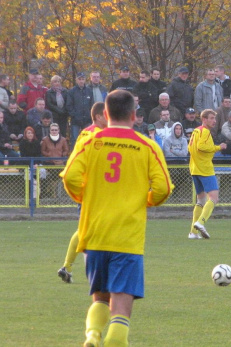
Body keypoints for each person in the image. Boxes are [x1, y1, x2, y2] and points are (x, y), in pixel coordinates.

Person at [61, 90, 173, 347]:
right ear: (134, 115)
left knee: (100, 297)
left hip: (95, 233)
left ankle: (91, 336)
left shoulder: (90, 141)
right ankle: (113, 340)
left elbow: (69, 177)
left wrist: (84, 198)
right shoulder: (147, 146)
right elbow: (164, 188)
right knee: (121, 307)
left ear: (106, 114)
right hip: (127, 237)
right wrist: (145, 201)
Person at [57, 102, 108, 284]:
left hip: (86, 187)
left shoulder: (85, 132)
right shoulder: (97, 135)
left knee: (85, 230)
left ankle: (67, 267)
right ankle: (94, 275)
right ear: (99, 116)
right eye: (107, 115)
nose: (109, 118)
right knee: (90, 232)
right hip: (94, 190)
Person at [188, 109, 228, 239]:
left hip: (194, 168)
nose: (214, 121)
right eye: (211, 118)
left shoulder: (196, 131)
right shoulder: (205, 131)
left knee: (200, 199)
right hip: (205, 169)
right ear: (204, 119)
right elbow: (201, 147)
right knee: (214, 198)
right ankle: (201, 222)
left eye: (214, 118)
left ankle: (193, 233)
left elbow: (190, 148)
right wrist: (218, 147)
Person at [66, 72, 94, 149]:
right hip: (75, 120)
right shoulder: (72, 91)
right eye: (79, 79)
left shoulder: (89, 91)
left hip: (87, 120)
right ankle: (74, 156)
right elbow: (69, 105)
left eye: (83, 79)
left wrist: (90, 116)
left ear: (85, 80)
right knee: (74, 139)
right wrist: (74, 115)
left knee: (88, 139)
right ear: (76, 80)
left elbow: (92, 105)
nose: (81, 81)